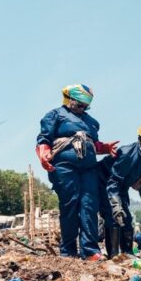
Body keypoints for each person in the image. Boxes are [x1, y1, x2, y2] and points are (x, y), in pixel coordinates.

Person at [36, 84, 119, 260]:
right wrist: (43, 153)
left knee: (89, 205)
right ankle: (68, 250)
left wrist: (104, 147)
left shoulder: (91, 122)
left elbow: (93, 144)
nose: (83, 108)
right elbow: (44, 138)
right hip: (65, 166)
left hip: (88, 168)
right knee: (70, 204)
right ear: (69, 99)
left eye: (86, 106)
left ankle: (90, 250)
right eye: (80, 104)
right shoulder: (55, 115)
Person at [98, 121, 141, 256]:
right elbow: (113, 181)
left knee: (126, 219)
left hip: (121, 186)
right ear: (140, 140)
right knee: (113, 215)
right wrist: (115, 205)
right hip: (104, 181)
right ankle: (114, 255)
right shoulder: (127, 154)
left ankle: (127, 254)